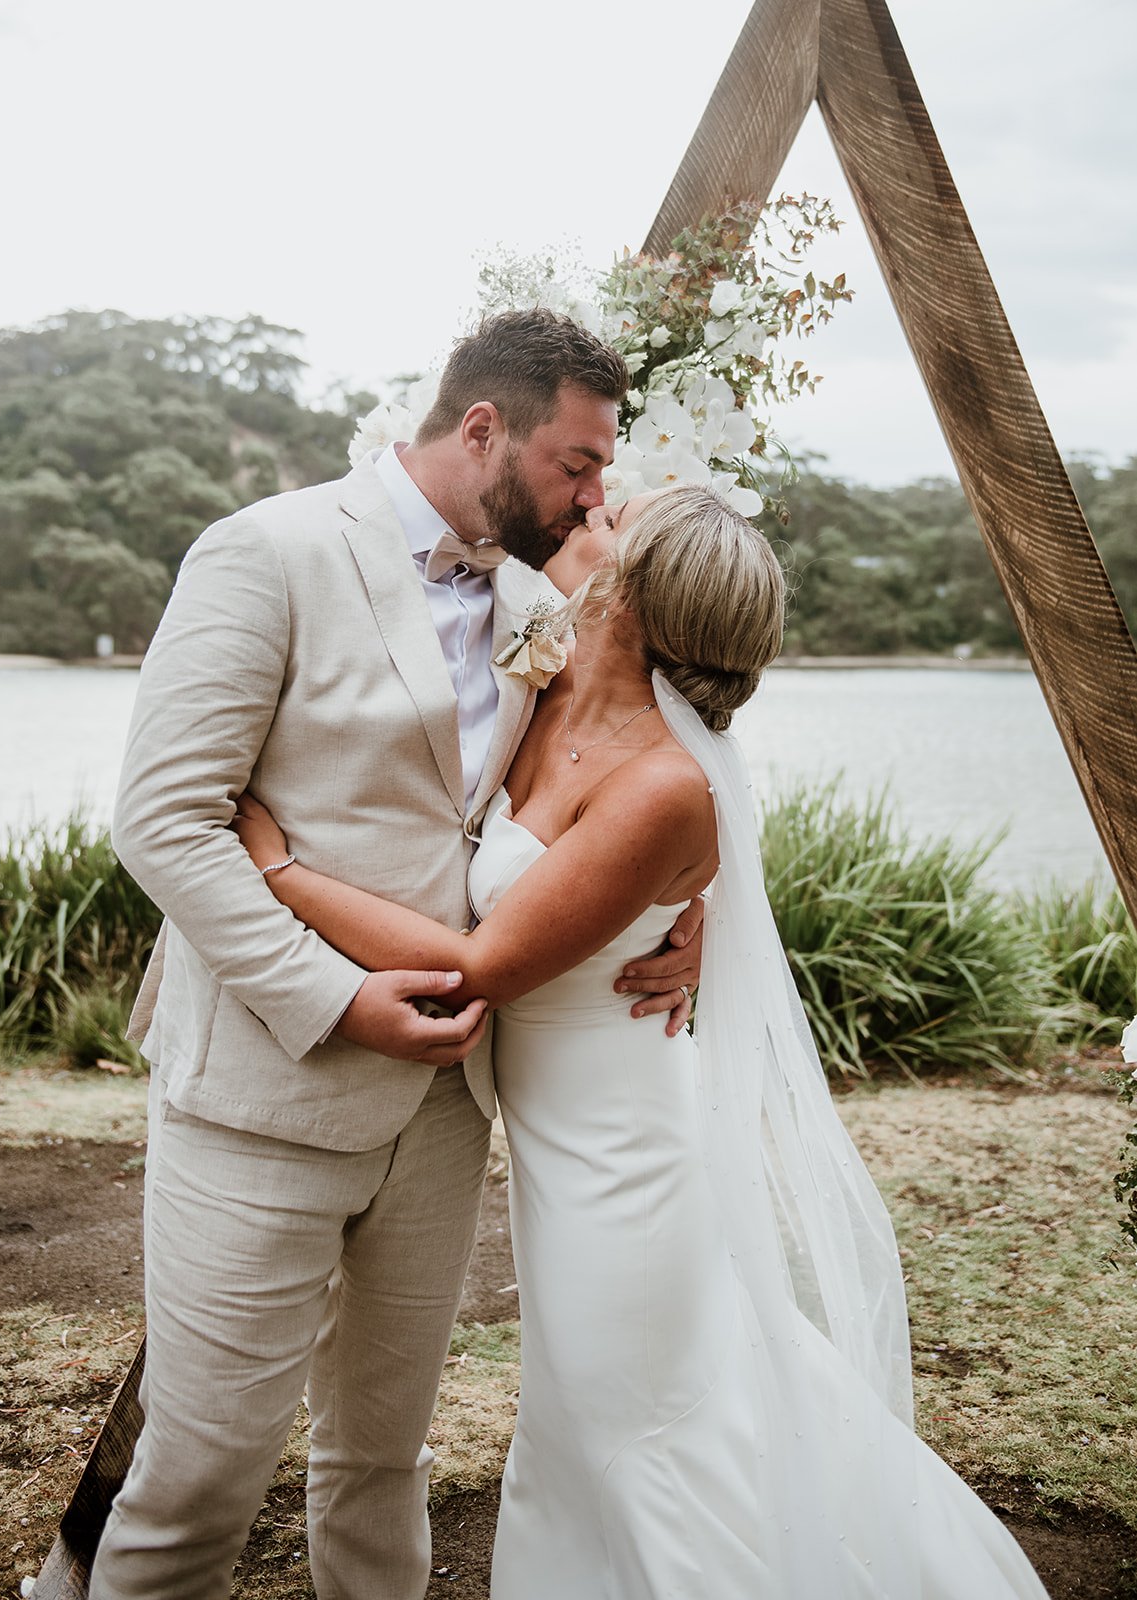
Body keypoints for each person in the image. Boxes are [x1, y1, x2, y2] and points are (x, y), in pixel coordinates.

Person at [233, 483, 1051, 1598]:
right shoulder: (544, 674)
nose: (593, 517)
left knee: (639, 1428)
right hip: (554, 1140)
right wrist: (685, 907)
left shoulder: (669, 784)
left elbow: (478, 967)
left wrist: (277, 870)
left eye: (616, 523)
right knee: (590, 1415)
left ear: (635, 593)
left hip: (625, 1163)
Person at [90, 310, 703, 1600]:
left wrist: (679, 892)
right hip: (266, 1088)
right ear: (484, 427)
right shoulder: (267, 551)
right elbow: (161, 818)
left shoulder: (540, 596)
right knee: (202, 1474)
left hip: (441, 1110)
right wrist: (333, 998)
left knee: (381, 1464)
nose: (598, 494)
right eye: (578, 464)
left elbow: (621, 767)